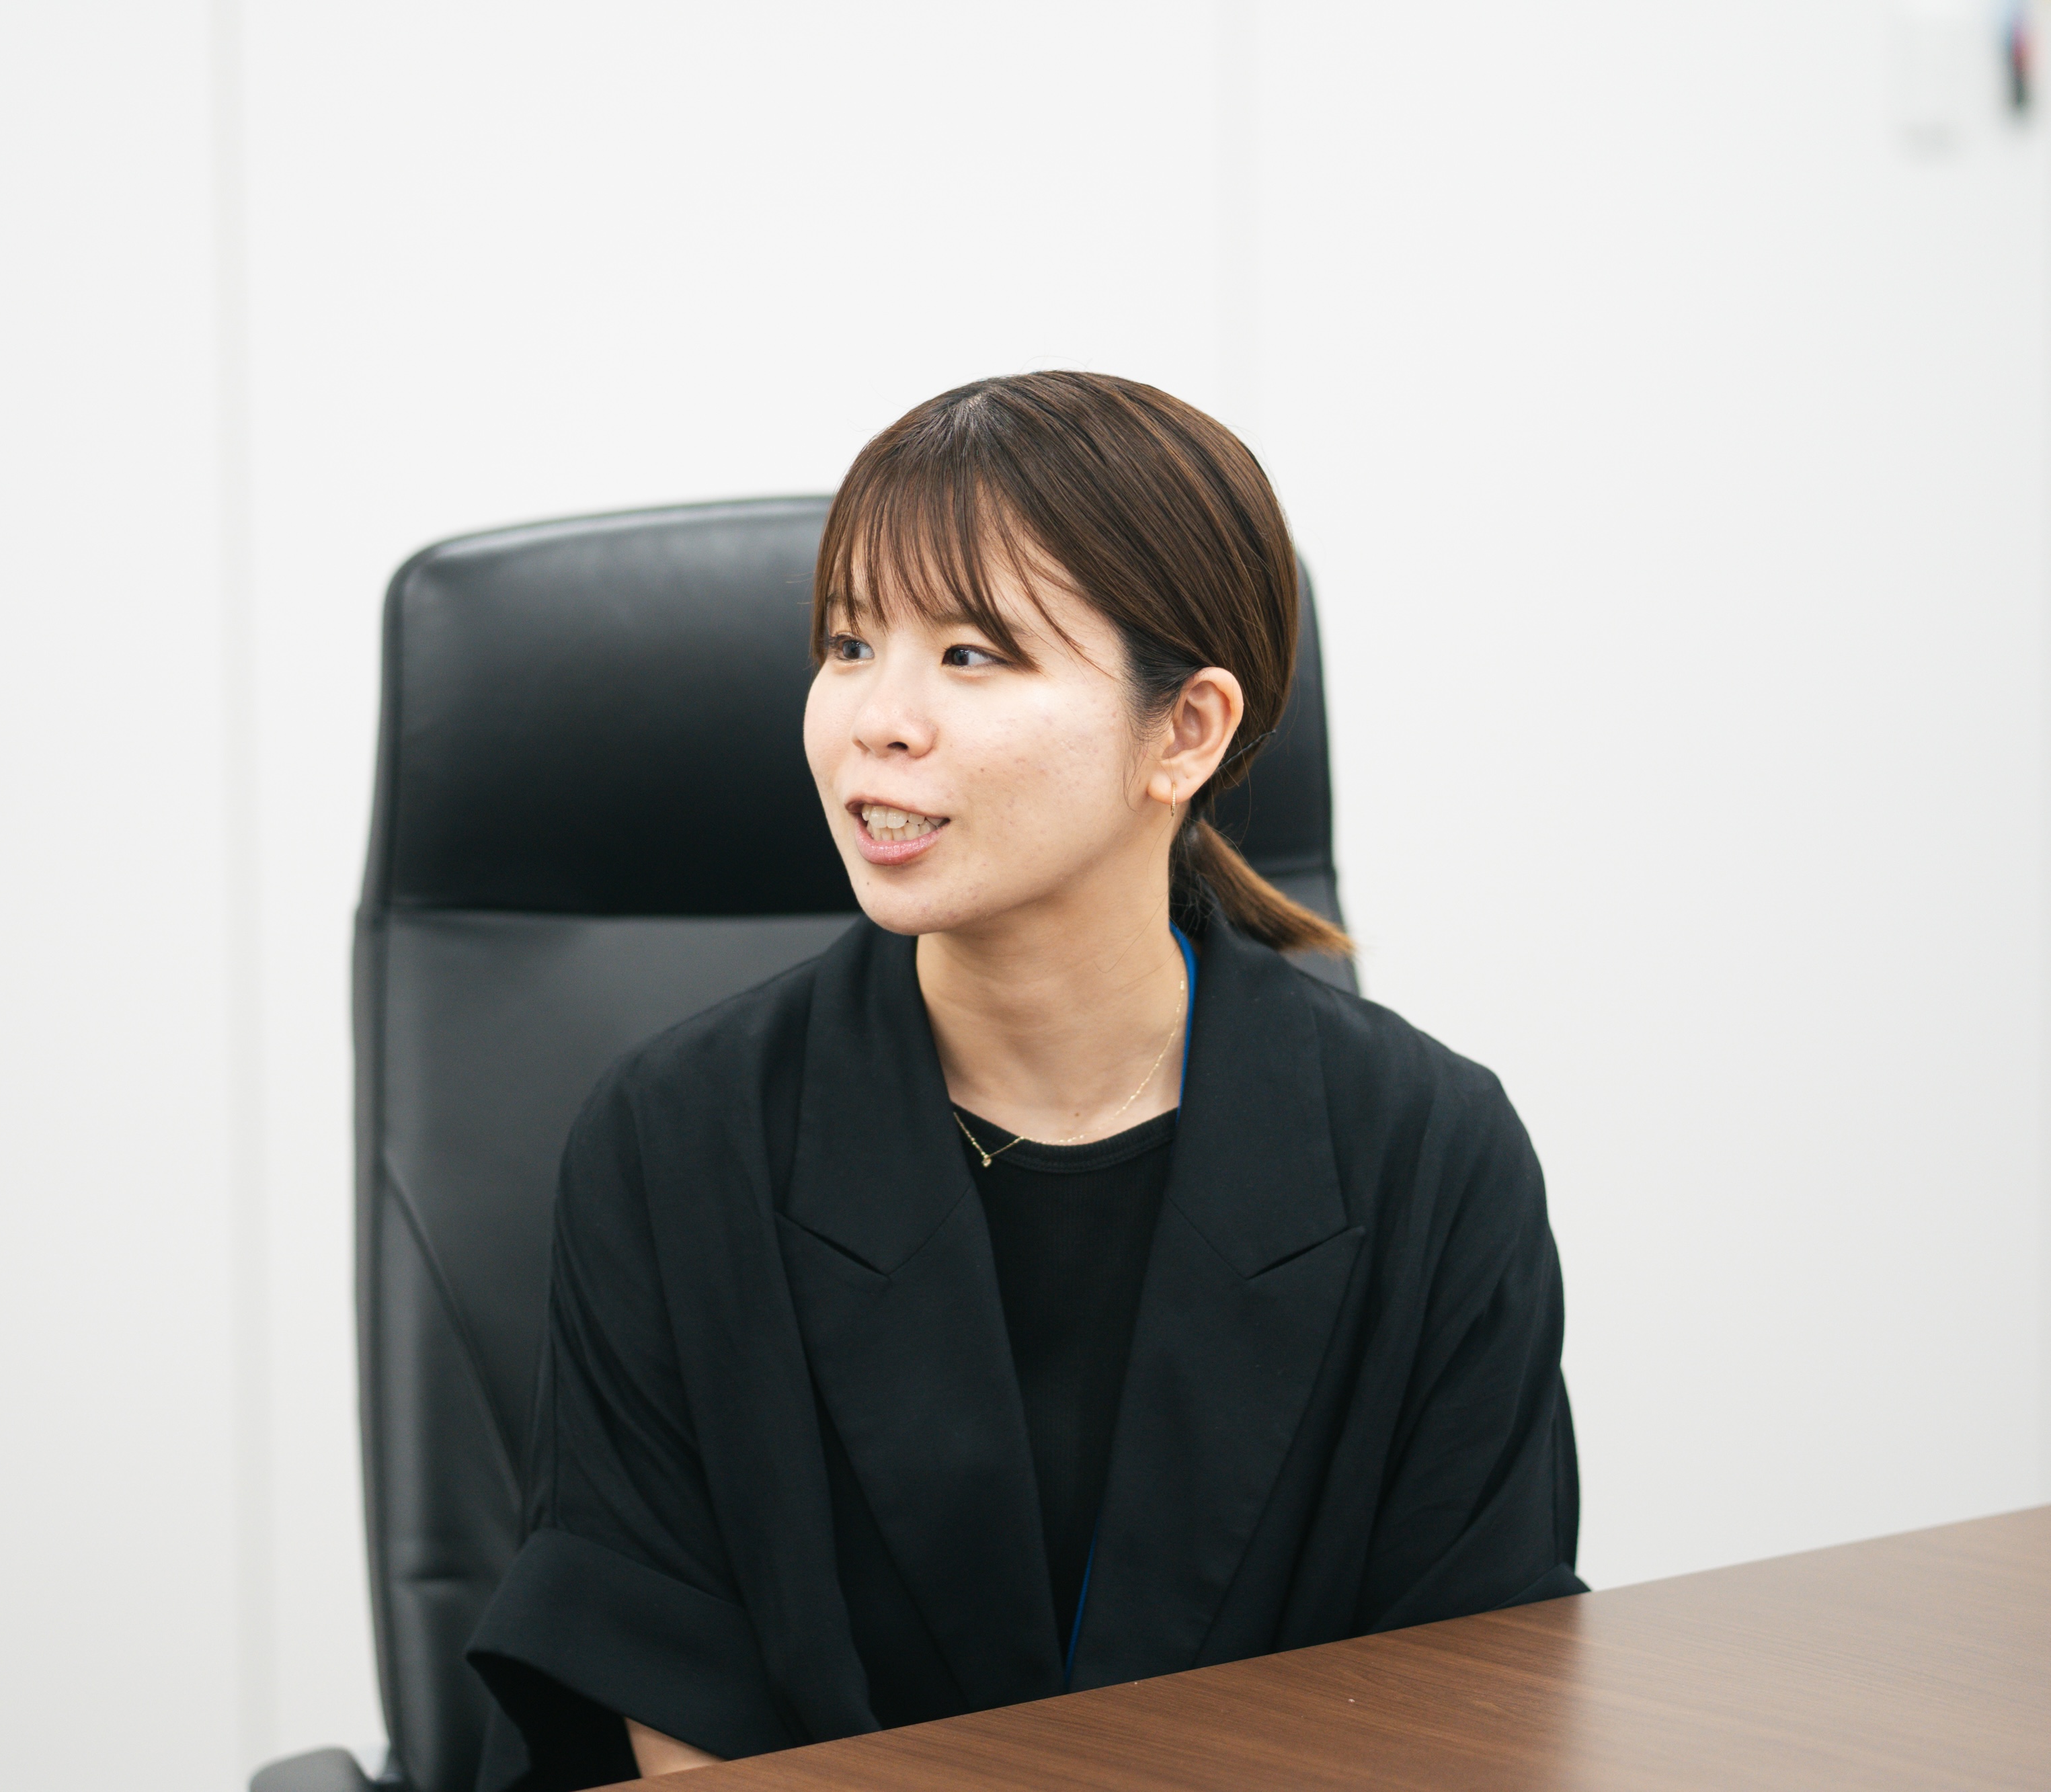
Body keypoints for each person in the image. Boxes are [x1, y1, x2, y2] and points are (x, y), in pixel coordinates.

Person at [465, 372, 1580, 1789]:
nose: (877, 717)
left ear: (1184, 732)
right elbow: (658, 1699)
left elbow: (1477, 1704)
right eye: (848, 643)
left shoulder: (1428, 1154)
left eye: (971, 654)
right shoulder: (676, 1141)